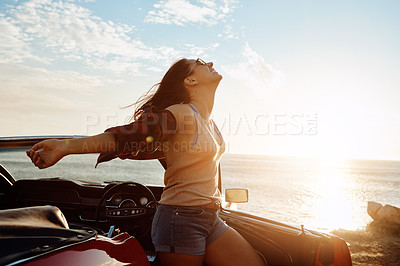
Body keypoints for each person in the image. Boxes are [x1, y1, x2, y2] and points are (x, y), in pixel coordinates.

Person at [26, 58, 265, 266]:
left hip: (211, 216)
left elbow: (174, 158)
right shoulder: (180, 113)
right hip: (180, 219)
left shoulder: (210, 124)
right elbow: (129, 135)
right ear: (190, 81)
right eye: (201, 63)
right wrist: (64, 147)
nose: (210, 64)